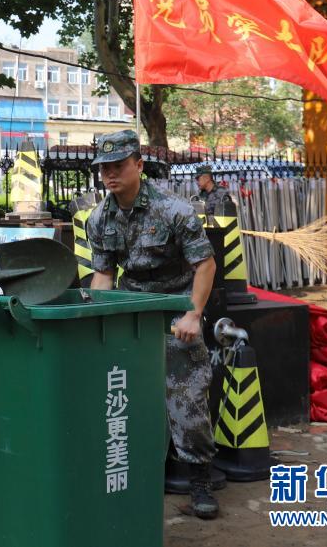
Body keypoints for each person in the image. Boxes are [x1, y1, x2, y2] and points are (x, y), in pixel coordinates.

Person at [85, 129, 220, 520]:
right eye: (104, 168)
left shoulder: (173, 210)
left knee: (187, 395)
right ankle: (138, 473)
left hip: (178, 303)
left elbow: (205, 265)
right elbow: (104, 275)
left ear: (138, 165)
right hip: (133, 303)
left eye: (118, 166)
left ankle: (200, 482)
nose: (110, 174)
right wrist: (98, 315)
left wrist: (193, 314)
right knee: (124, 394)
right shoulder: (100, 218)